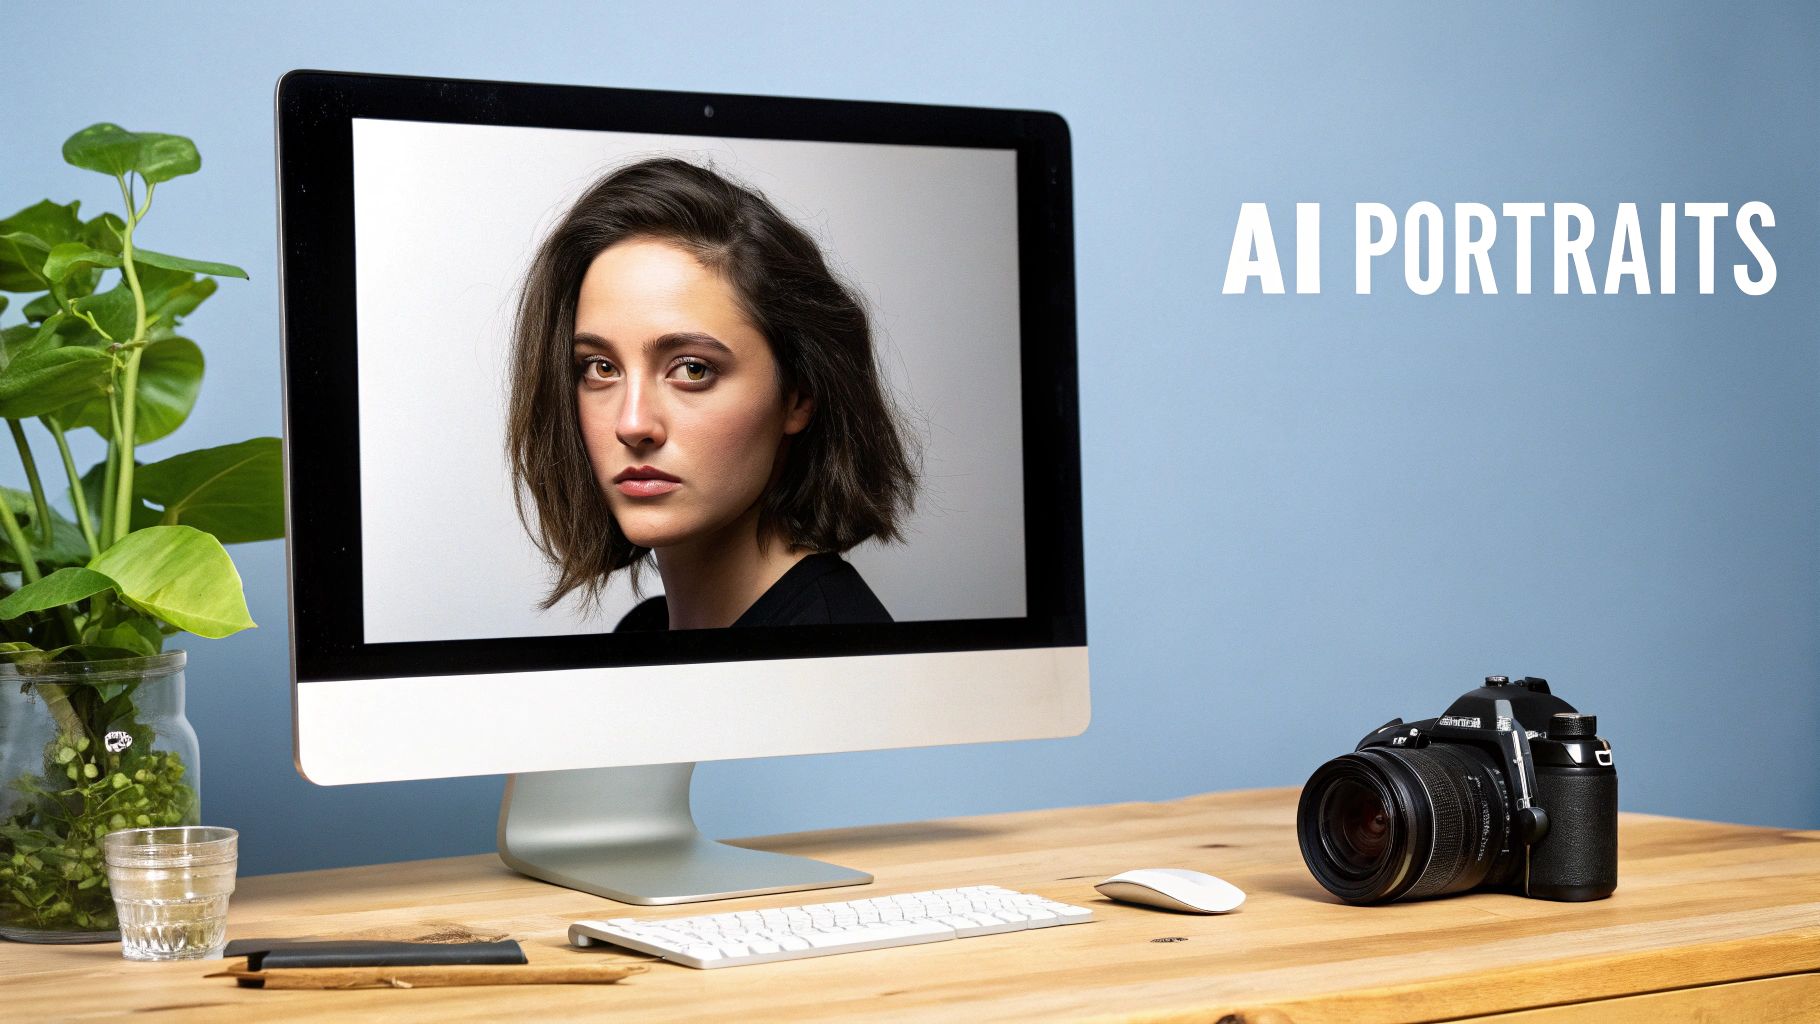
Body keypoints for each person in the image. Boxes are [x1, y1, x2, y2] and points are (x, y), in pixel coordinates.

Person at [506, 158, 916, 630]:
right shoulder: (643, 631)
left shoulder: (836, 665)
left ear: (799, 395)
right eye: (600, 368)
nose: (633, 423)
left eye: (692, 369)